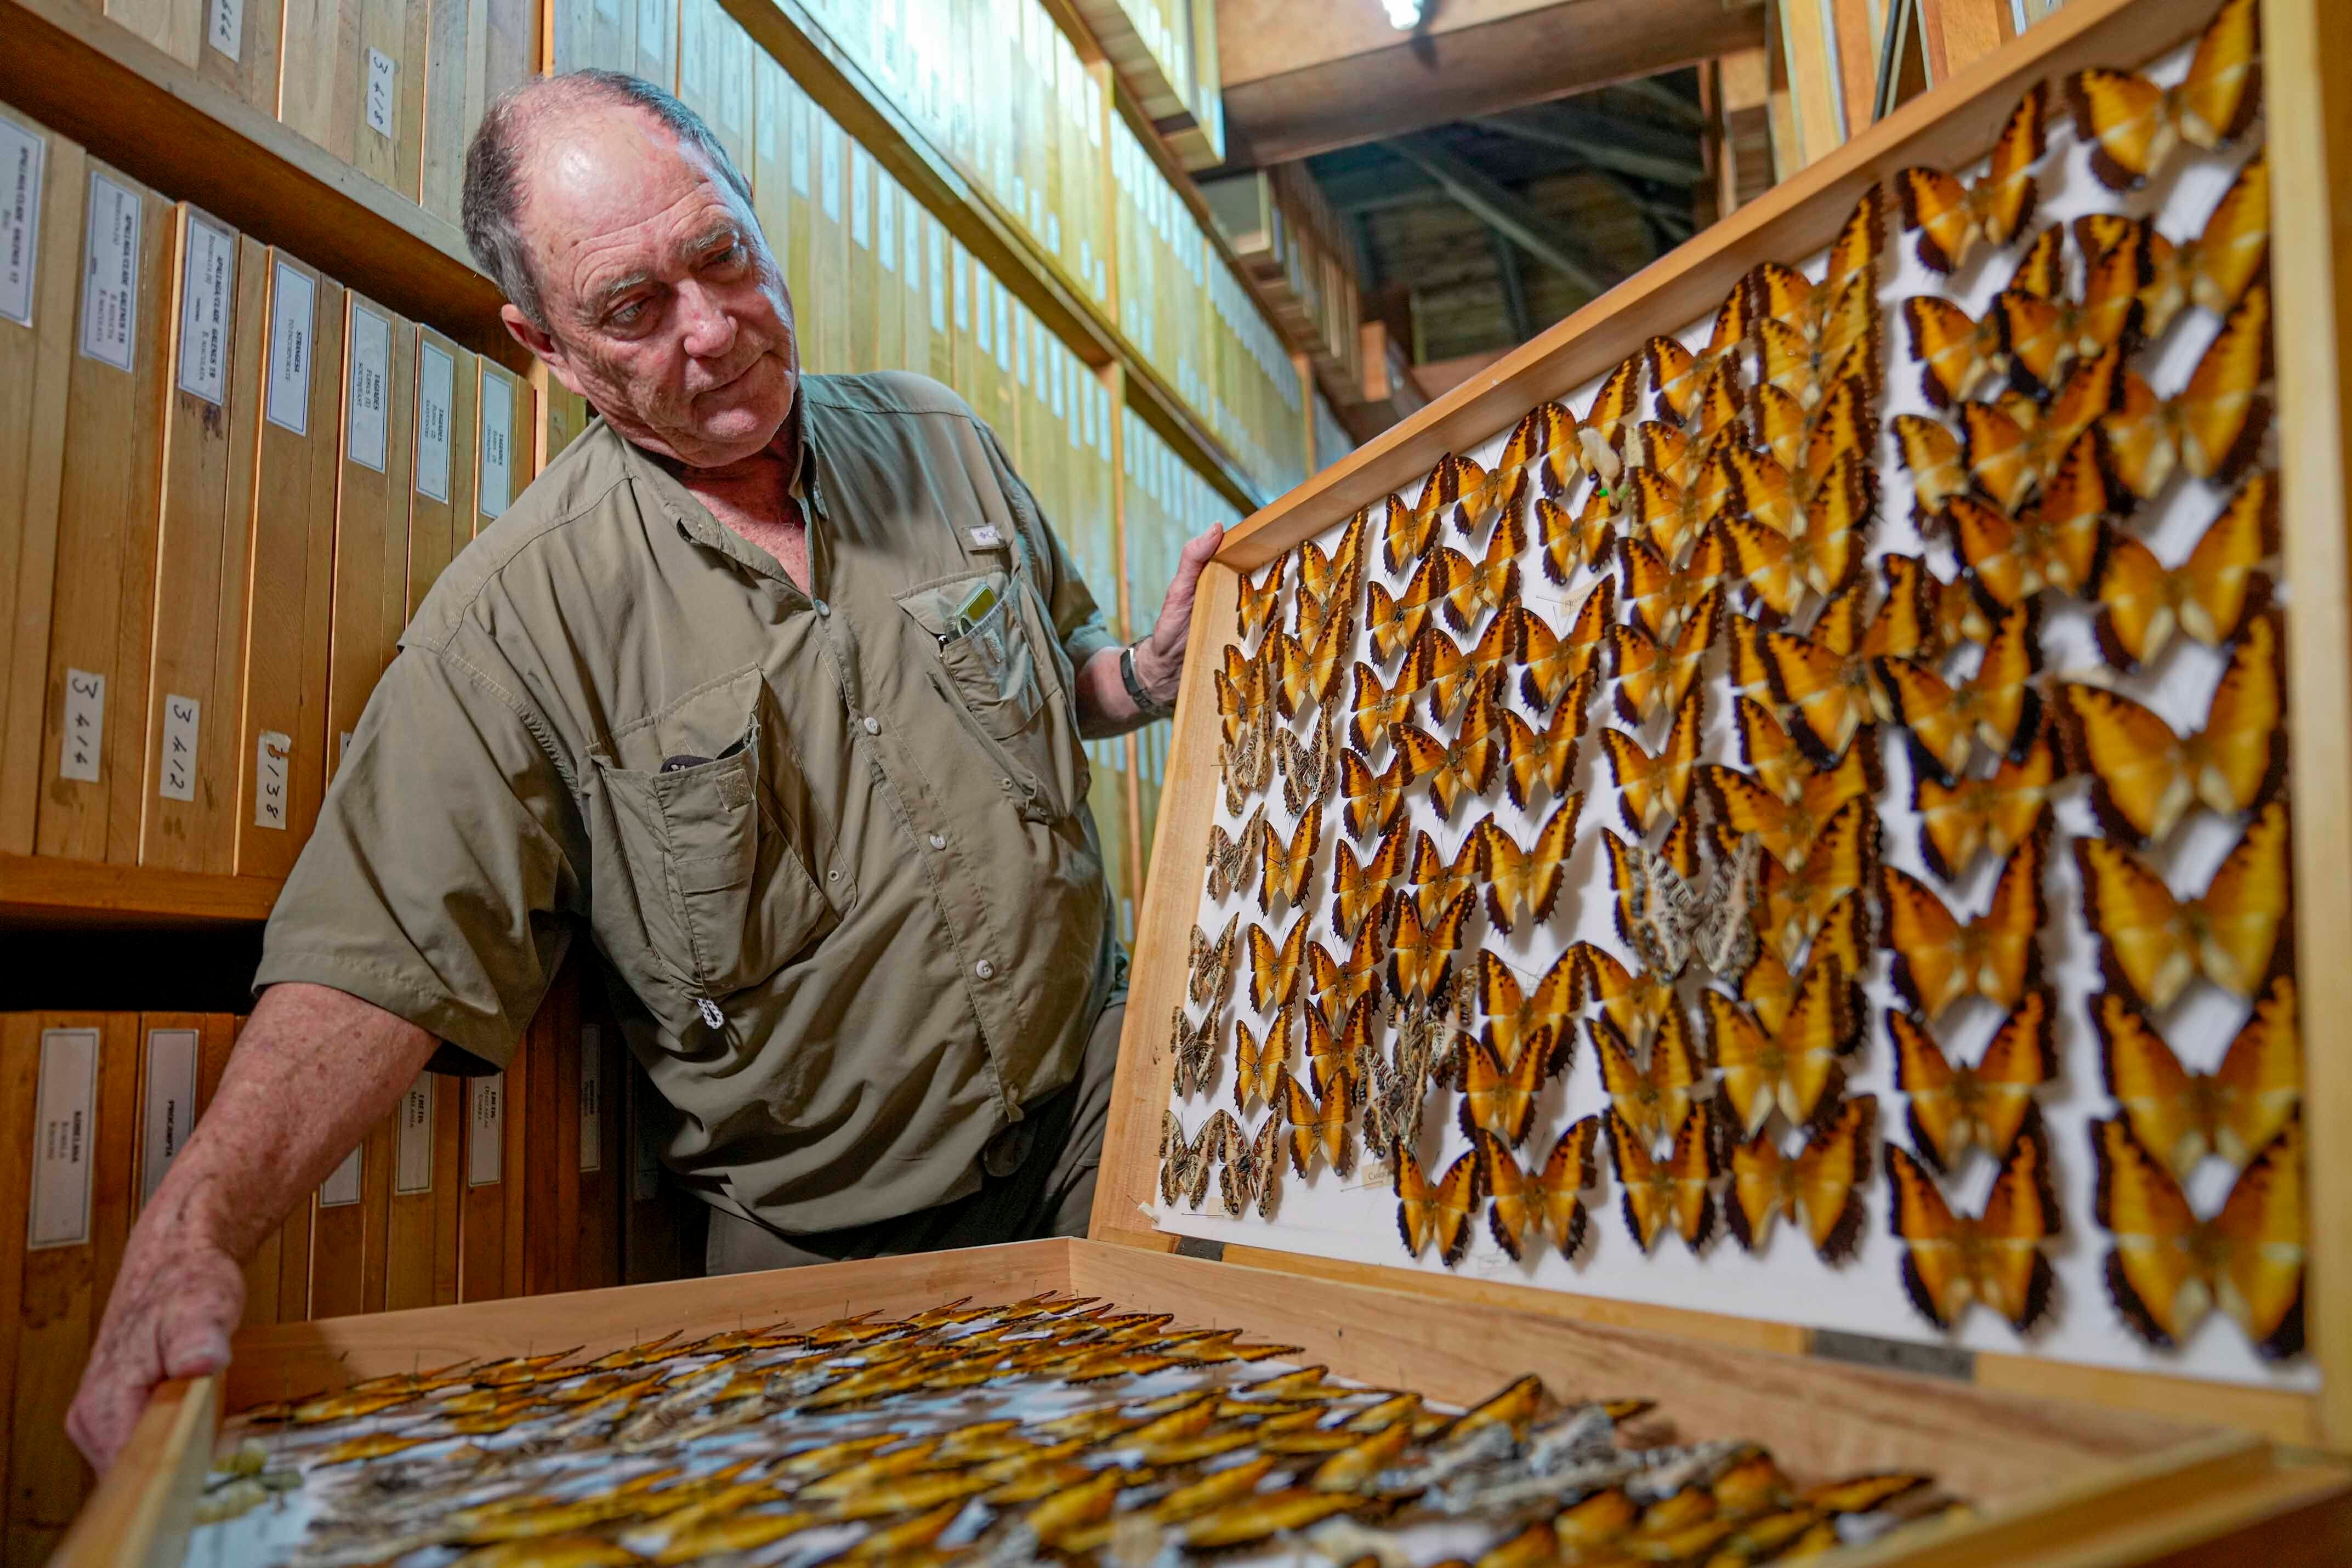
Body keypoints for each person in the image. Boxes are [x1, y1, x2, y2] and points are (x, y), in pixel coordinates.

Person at [65, 69, 1220, 1469]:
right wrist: (189, 1235)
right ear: (546, 345)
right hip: (837, 1253)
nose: (714, 328)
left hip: (1106, 1109)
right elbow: (376, 957)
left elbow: (1056, 664)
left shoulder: (939, 437)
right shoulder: (517, 623)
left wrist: (1143, 676)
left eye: (722, 254)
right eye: (633, 307)